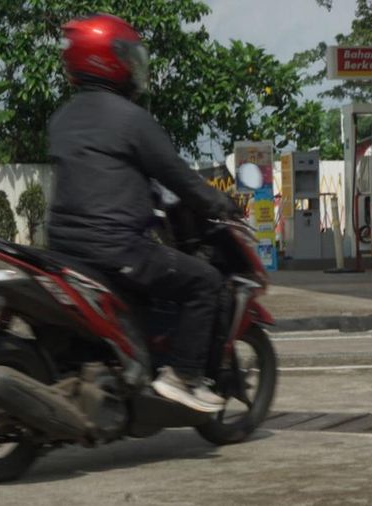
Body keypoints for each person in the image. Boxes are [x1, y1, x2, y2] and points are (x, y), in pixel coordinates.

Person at [47, 14, 239, 413]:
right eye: (129, 57)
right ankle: (184, 377)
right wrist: (220, 202)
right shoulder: (131, 119)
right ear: (109, 59)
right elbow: (179, 178)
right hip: (117, 251)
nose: (136, 68)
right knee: (204, 282)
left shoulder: (62, 119)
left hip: (65, 252)